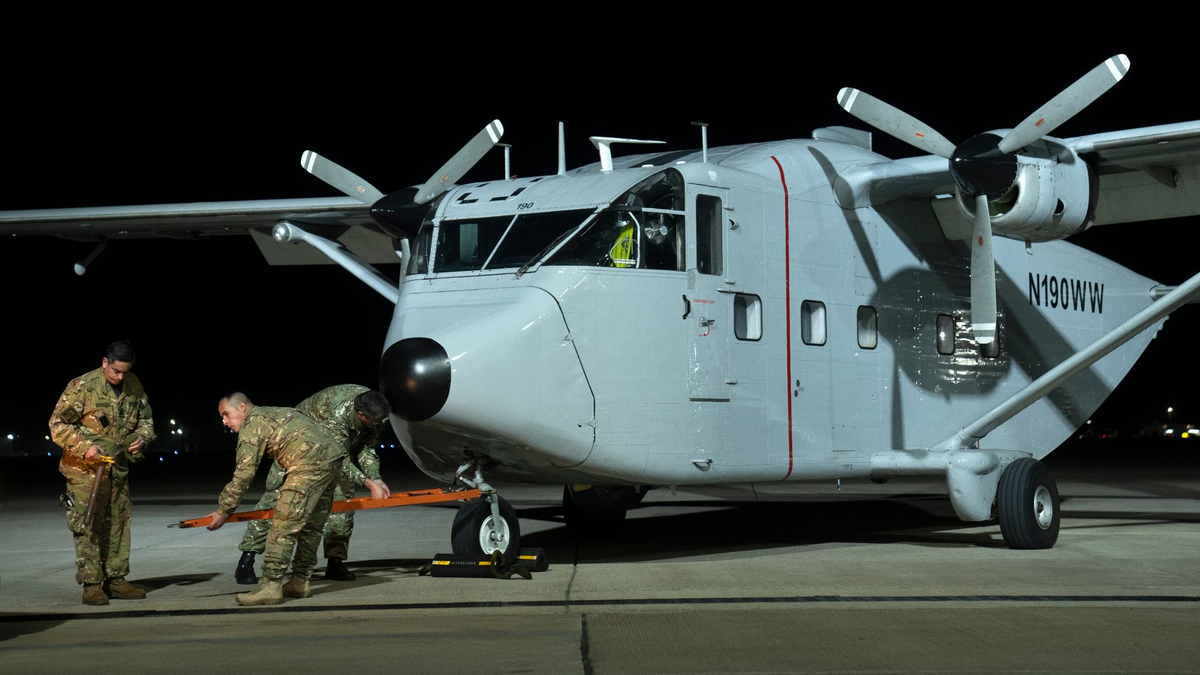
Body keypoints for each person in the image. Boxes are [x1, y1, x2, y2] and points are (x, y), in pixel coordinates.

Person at [235, 385, 391, 584]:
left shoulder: (378, 413)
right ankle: (247, 559)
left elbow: (367, 448)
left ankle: (335, 561)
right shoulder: (335, 413)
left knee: (342, 506)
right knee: (276, 502)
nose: (378, 425)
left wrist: (375, 477)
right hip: (298, 450)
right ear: (360, 415)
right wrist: (367, 483)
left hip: (334, 451)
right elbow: (337, 458)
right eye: (375, 422)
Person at [205, 392, 346, 606]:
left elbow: (244, 474)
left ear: (242, 407)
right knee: (312, 527)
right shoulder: (275, 412)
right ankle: (300, 582)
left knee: (282, 527)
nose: (224, 421)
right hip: (333, 458)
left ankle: (270, 587)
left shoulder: (253, 424)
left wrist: (224, 510)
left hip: (307, 464)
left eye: (226, 414)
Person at [49, 340, 156, 606]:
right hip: (85, 471)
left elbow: (146, 420)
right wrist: (85, 447)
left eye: (125, 372)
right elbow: (57, 425)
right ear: (105, 362)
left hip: (117, 468)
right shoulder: (82, 387)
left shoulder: (134, 385)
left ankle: (116, 580)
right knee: (88, 525)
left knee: (118, 523)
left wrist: (142, 438)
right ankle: (92, 585)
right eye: (116, 371)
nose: (120, 377)